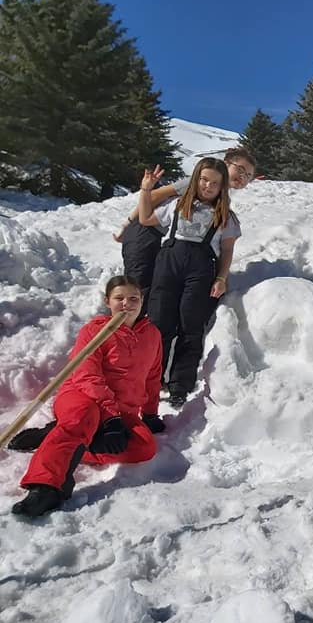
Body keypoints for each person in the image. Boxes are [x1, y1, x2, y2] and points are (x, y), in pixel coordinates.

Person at [11, 276, 165, 518]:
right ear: (107, 302)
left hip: (121, 410)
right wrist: (110, 419)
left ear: (142, 301)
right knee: (82, 417)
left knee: (144, 447)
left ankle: (55, 439)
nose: (127, 304)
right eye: (119, 298)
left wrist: (149, 413)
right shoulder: (94, 331)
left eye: (133, 298)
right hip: (81, 397)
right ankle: (46, 486)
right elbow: (87, 376)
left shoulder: (153, 334)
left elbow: (153, 376)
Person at [139, 158, 237, 408]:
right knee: (159, 323)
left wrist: (221, 278)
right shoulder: (176, 205)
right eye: (204, 180)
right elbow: (145, 218)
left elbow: (226, 250)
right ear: (195, 179)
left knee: (190, 326)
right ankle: (151, 380)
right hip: (168, 264)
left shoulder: (225, 215)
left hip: (201, 269)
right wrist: (146, 190)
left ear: (222, 187)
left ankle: (180, 385)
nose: (207, 186)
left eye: (214, 183)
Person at [115, 147, 256, 313]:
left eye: (248, 175)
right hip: (147, 231)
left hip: (166, 241)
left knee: (154, 289)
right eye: (239, 169)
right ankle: (122, 331)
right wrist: (128, 223)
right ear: (225, 163)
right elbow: (154, 195)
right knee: (138, 287)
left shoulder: (221, 196)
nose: (242, 177)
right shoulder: (196, 181)